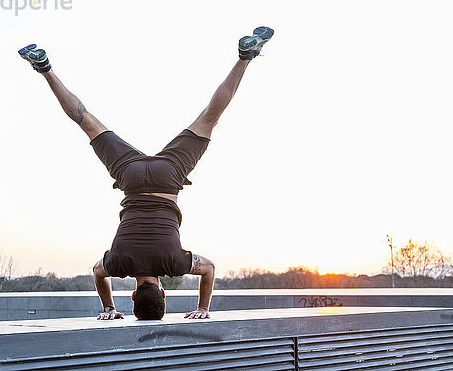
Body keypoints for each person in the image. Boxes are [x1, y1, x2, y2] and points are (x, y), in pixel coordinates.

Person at [17, 26, 274, 320]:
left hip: (169, 176)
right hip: (131, 177)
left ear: (163, 292)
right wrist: (109, 308)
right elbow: (97, 273)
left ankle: (245, 57)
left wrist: (203, 308)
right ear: (133, 294)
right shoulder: (117, 265)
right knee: (86, 121)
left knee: (209, 117)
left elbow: (209, 269)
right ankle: (44, 67)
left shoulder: (175, 264)